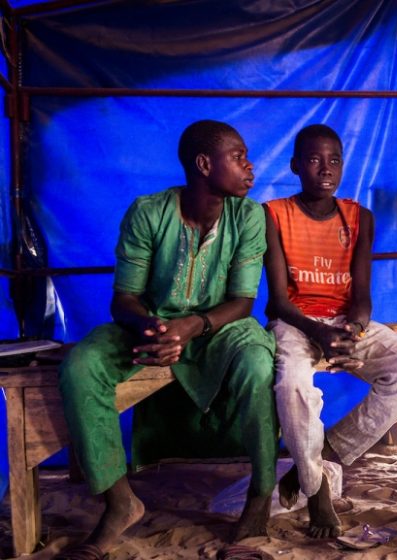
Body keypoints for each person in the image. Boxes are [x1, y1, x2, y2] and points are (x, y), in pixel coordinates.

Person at [57, 120, 278, 560]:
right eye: (238, 157)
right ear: (203, 164)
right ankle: (120, 503)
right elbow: (124, 300)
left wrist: (192, 326)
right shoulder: (148, 212)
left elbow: (242, 302)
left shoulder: (250, 215)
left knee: (257, 362)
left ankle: (259, 493)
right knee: (80, 366)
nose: (250, 168)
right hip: (151, 327)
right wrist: (153, 329)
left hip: (219, 328)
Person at [264, 124, 397, 539]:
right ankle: (317, 493)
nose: (326, 169)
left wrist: (354, 328)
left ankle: (321, 461)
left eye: (334, 160)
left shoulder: (359, 217)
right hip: (295, 323)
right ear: (295, 166)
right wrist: (317, 334)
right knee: (291, 387)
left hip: (343, 324)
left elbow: (361, 297)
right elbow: (279, 303)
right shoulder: (273, 214)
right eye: (315, 160)